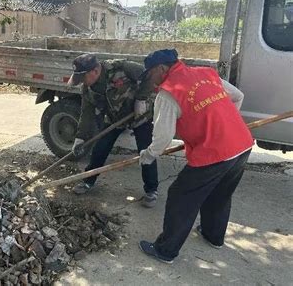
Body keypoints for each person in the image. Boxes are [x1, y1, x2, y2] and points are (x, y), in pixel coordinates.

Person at [137, 49, 253, 264]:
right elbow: (238, 96)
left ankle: (165, 251)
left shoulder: (168, 93)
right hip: (242, 144)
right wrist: (225, 126)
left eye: (150, 74)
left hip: (214, 152)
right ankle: (213, 236)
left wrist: (148, 155)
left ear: (161, 69)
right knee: (220, 193)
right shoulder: (206, 73)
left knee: (181, 196)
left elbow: (163, 138)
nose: (150, 80)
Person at [68, 53, 159, 207]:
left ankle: (151, 190)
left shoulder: (122, 68)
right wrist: (80, 137)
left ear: (95, 71)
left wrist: (141, 98)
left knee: (146, 151)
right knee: (100, 149)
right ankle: (88, 181)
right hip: (115, 119)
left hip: (140, 115)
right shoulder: (88, 89)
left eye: (83, 78)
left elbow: (150, 76)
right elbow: (87, 114)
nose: (82, 83)